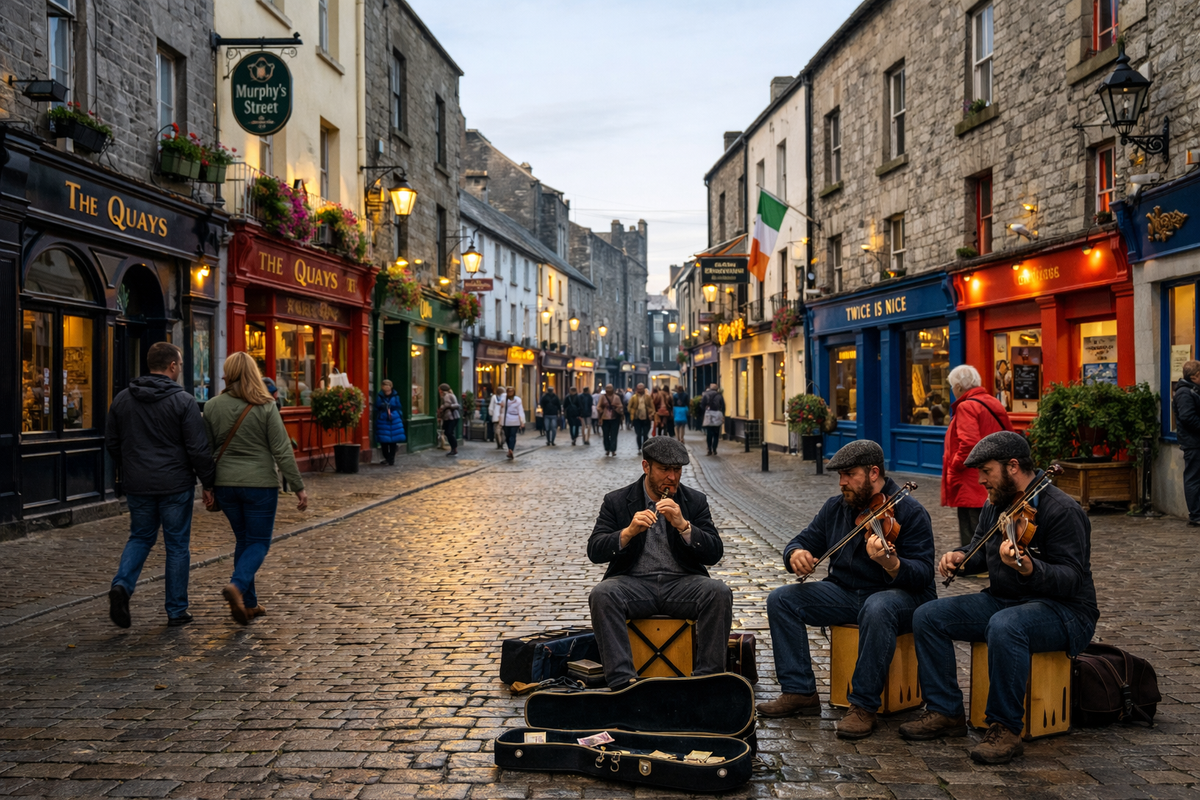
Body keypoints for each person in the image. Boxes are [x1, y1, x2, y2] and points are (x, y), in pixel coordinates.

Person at [900, 431, 1098, 765]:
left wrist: (1030, 569)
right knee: (928, 615)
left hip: (1065, 611)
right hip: (1005, 600)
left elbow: (1071, 578)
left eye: (987, 471)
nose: (981, 481)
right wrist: (958, 558)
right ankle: (945, 711)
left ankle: (1005, 728)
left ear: (1013, 466)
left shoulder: (1062, 510)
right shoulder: (997, 506)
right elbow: (978, 551)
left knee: (1005, 626)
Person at [756, 440, 936, 739]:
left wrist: (891, 563)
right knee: (782, 600)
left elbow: (923, 574)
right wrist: (795, 554)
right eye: (839, 476)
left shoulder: (910, 511)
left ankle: (863, 705)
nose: (842, 483)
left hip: (902, 598)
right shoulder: (836, 507)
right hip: (846, 594)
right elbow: (802, 540)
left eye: (849, 474)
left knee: (878, 607)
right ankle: (800, 691)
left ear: (874, 472)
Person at [587, 437, 732, 688]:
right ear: (646, 467)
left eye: (677, 470)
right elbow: (595, 550)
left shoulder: (694, 501)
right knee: (602, 594)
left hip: (682, 584)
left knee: (719, 592)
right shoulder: (617, 501)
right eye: (665, 470)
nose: (672, 478)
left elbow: (714, 553)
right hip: (633, 584)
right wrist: (628, 532)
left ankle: (707, 682)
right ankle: (623, 683)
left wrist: (684, 527)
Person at [106, 342, 216, 629]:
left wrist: (130, 466)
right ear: (172, 366)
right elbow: (197, 448)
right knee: (177, 545)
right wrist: (209, 482)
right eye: (179, 365)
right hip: (175, 484)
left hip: (138, 484)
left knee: (140, 537)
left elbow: (113, 444)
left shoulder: (122, 400)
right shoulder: (183, 401)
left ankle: (122, 585)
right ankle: (176, 610)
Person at [204, 351, 308, 625]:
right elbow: (282, 449)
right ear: (252, 373)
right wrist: (297, 486)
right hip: (260, 485)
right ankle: (236, 587)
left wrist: (206, 484)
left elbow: (206, 450)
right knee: (259, 542)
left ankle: (249, 604)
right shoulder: (265, 405)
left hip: (226, 485)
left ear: (228, 373)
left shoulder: (213, 405)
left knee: (243, 540)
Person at [942, 365, 1014, 546]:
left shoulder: (967, 407)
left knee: (972, 522)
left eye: (953, 386)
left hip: (971, 476)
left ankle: (975, 564)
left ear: (959, 387)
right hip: (994, 471)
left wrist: (954, 466)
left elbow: (969, 444)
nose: (953, 390)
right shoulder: (992, 402)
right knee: (989, 518)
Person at [1174, 360, 1200, 526]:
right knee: (1193, 478)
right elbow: (1187, 417)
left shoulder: (1192, 390)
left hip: (1195, 441)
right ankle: (1196, 515)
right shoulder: (1185, 392)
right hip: (1193, 442)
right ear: (1195, 377)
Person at [375, 379, 406, 466]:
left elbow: (399, 406)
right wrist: (383, 406)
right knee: (384, 442)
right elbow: (376, 407)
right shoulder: (380, 396)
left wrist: (396, 413)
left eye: (388, 389)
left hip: (394, 420)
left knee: (393, 442)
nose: (387, 391)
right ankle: (387, 458)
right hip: (383, 420)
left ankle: (391, 460)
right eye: (385, 389)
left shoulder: (396, 396)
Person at [598, 384, 624, 457]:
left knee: (614, 435)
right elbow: (598, 406)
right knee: (605, 435)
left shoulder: (616, 397)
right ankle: (607, 449)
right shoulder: (602, 397)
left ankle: (613, 449)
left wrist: (616, 408)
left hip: (615, 418)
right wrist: (601, 410)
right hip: (605, 418)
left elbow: (620, 406)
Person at [500, 386, 525, 460]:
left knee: (512, 435)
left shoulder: (518, 400)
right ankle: (510, 449)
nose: (510, 393)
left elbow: (520, 411)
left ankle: (510, 450)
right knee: (507, 436)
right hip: (505, 421)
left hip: (515, 420)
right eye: (509, 391)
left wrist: (522, 421)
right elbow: (499, 406)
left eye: (512, 391)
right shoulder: (504, 399)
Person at [700, 383, 725, 456]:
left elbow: (702, 405)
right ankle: (714, 448)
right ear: (717, 389)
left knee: (709, 433)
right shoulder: (719, 395)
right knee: (716, 433)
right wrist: (723, 415)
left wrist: (704, 413)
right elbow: (723, 406)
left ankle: (709, 449)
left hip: (708, 415)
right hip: (717, 414)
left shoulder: (706, 395)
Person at [627, 383, 653, 451]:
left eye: (641, 389)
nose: (640, 390)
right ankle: (639, 446)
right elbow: (629, 407)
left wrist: (651, 413)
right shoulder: (634, 397)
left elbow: (652, 407)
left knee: (645, 434)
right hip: (637, 418)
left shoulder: (647, 397)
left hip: (646, 418)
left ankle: (645, 446)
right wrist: (633, 412)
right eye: (639, 389)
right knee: (638, 434)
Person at [437, 383, 461, 457]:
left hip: (450, 417)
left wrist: (442, 408)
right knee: (449, 432)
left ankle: (454, 449)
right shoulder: (451, 394)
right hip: (454, 416)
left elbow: (448, 405)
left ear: (441, 390)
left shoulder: (446, 396)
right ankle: (453, 449)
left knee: (449, 433)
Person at [489, 385, 508, 450]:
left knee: (497, 431)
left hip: (496, 417)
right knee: (502, 431)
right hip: (503, 417)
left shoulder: (494, 397)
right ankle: (501, 443)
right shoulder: (506, 397)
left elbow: (491, 407)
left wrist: (491, 414)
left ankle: (499, 444)